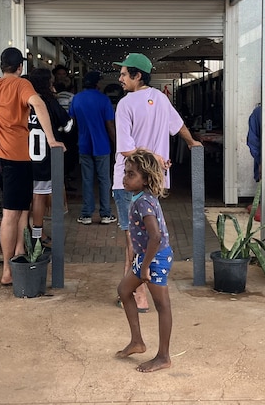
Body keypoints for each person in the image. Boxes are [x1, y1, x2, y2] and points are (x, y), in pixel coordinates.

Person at [0, 8, 65, 286]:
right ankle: (8, 270)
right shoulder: (21, 85)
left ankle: (21, 254)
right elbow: (39, 104)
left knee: (20, 208)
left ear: (2, 66)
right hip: (17, 160)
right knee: (11, 214)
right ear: (20, 67)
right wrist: (51, 139)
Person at [112, 53, 201, 311]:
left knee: (133, 238)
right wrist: (191, 142)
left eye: (124, 73)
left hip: (128, 180)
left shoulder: (126, 104)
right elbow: (179, 125)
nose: (120, 78)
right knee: (144, 235)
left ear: (137, 76)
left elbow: (127, 150)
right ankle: (132, 290)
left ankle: (137, 295)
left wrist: (155, 156)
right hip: (154, 182)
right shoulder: (162, 99)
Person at [115, 149, 173, 373]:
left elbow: (156, 236)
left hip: (155, 258)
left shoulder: (143, 203)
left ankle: (164, 357)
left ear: (146, 179)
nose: (125, 178)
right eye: (126, 173)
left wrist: (146, 265)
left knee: (162, 305)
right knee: (123, 290)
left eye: (131, 175)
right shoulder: (142, 197)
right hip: (147, 257)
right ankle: (137, 342)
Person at [25, 67, 71, 246]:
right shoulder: (49, 102)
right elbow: (67, 125)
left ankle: (25, 236)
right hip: (43, 159)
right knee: (39, 197)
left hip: (22, 158)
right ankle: (38, 234)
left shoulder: (24, 101)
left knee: (25, 200)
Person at [70, 71, 117, 224]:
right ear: (97, 84)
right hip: (102, 145)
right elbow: (109, 124)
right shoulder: (104, 100)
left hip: (83, 144)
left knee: (87, 179)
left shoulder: (76, 99)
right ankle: (105, 214)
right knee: (104, 180)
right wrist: (117, 142)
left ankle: (86, 214)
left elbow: (72, 122)